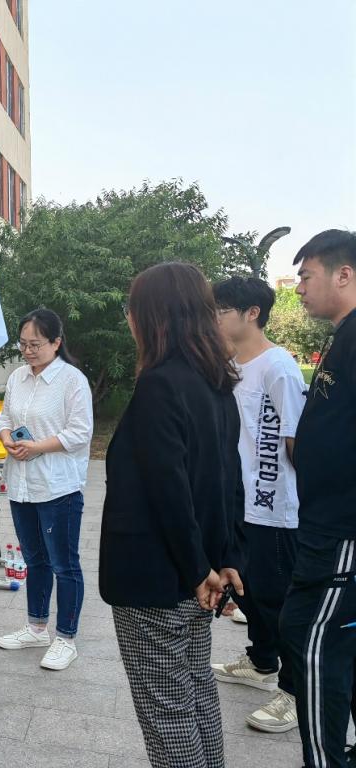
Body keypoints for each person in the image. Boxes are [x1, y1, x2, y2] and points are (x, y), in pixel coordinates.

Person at [100, 262, 245, 768]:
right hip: (198, 574)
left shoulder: (160, 385)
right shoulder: (215, 383)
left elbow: (169, 490)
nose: (128, 318)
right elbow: (229, 480)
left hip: (160, 579)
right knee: (196, 689)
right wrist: (224, 559)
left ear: (154, 315)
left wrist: (198, 568)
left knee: (167, 711)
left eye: (132, 308)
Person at [210, 276, 306, 733]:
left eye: (221, 310)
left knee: (279, 599)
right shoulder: (229, 365)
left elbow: (296, 439)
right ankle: (262, 661)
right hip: (238, 502)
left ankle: (295, 692)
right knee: (248, 590)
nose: (214, 318)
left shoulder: (278, 366)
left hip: (274, 508)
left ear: (252, 314)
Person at [279, 229, 356, 768]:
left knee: (311, 640)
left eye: (306, 276)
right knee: (331, 640)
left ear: (343, 274)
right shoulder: (342, 335)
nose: (300, 288)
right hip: (324, 523)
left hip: (341, 530)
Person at [0, 309, 93, 671]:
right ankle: (36, 627)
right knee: (35, 560)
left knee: (64, 564)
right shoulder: (17, 377)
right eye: (23, 344)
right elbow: (4, 417)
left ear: (56, 342)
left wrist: (37, 447)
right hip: (21, 485)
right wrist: (7, 437)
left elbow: (80, 432)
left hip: (58, 487)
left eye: (35, 344)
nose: (28, 351)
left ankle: (66, 637)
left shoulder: (72, 380)